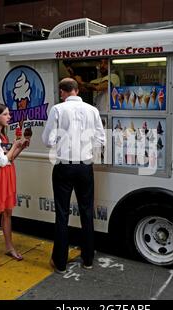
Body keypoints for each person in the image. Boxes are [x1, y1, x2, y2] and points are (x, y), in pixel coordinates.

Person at [42, 78, 106, 273]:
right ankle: (87, 259)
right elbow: (101, 138)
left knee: (62, 214)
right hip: (85, 166)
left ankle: (60, 263)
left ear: (63, 92)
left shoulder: (58, 110)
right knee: (87, 212)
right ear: (77, 91)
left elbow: (47, 140)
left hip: (63, 166)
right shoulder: (93, 110)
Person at [0, 103, 29, 269]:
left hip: (7, 175)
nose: (9, 117)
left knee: (8, 213)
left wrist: (20, 148)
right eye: (6, 114)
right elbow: (2, 161)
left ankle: (9, 247)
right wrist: (15, 146)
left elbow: (10, 158)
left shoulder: (2, 135)